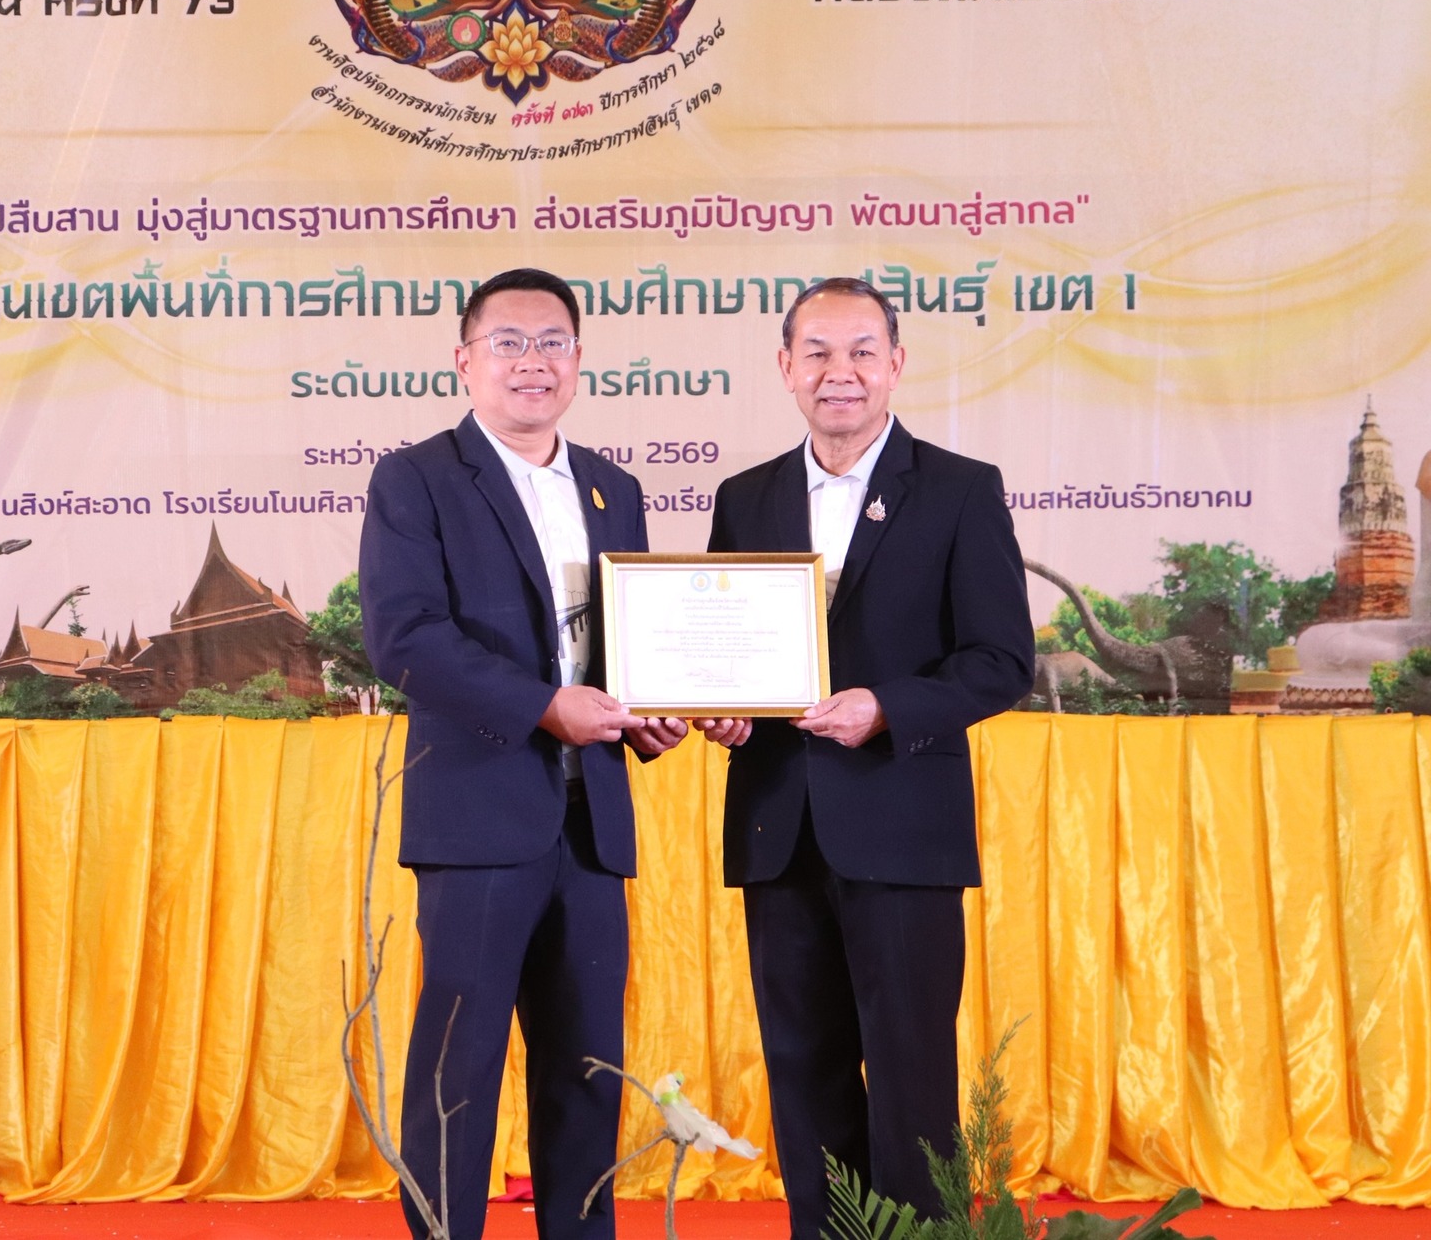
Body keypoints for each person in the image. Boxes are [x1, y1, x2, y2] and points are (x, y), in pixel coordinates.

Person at [698, 277, 1034, 1240]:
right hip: (778, 826)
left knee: (910, 1076)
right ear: (785, 366)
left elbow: (1001, 659)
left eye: (860, 352)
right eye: (816, 353)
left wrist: (888, 705)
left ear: (896, 364)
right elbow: (728, 652)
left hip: (901, 825)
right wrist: (725, 711)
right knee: (802, 1072)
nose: (837, 372)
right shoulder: (746, 497)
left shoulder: (961, 488)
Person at [360, 268, 687, 1240]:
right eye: (507, 342)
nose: (530, 361)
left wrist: (647, 715)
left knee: (588, 1074)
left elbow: (623, 650)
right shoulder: (415, 479)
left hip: (591, 826)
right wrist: (545, 707)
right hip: (477, 820)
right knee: (456, 1074)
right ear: (464, 361)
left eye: (551, 343)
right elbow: (404, 637)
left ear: (578, 360)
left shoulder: (615, 489)